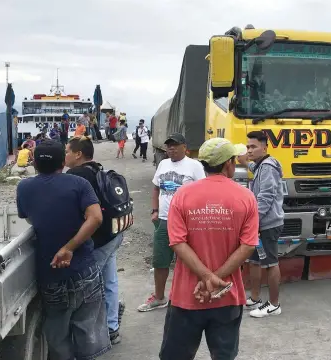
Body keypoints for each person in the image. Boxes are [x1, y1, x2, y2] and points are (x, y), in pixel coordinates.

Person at [159, 137, 259, 359]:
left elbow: (177, 242)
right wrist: (215, 279)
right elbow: (248, 246)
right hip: (226, 294)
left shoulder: (182, 195)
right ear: (228, 164)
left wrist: (205, 277)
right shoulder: (246, 197)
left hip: (187, 296)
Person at [16, 141, 111, 359]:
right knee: (88, 329)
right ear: (62, 161)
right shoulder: (79, 183)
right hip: (83, 269)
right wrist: (69, 247)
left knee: (58, 333)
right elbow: (96, 218)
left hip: (50, 273)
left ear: (35, 164)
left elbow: (28, 217)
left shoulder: (24, 187)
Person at [65, 136, 126, 345]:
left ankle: (92, 336)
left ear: (78, 154)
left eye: (67, 151)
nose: (65, 156)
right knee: (109, 280)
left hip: (98, 239)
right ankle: (111, 327)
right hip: (114, 233)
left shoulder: (75, 176)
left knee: (90, 286)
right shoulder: (97, 169)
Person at [138, 133, 206, 312]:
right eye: (169, 145)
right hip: (165, 220)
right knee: (160, 260)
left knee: (191, 261)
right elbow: (156, 188)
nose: (171, 148)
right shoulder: (163, 164)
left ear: (185, 147)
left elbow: (204, 193)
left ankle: (195, 294)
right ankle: (159, 297)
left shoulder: (195, 166)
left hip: (188, 222)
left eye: (175, 145)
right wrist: (155, 211)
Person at [239, 130, 284, 318]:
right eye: (248, 147)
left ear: (265, 147)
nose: (249, 150)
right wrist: (243, 160)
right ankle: (255, 298)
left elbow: (266, 196)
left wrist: (254, 222)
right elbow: (252, 166)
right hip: (259, 223)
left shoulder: (268, 167)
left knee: (271, 263)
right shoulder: (259, 165)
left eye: (253, 147)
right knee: (255, 261)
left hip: (267, 224)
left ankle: (274, 305)